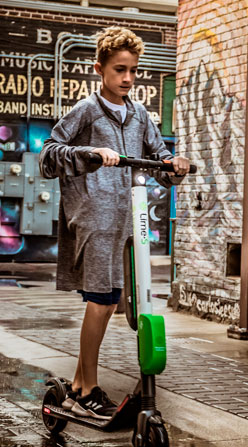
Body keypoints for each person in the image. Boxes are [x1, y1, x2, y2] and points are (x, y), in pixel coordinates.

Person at [39, 27, 190, 420]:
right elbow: (49, 155)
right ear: (99, 69)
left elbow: (158, 156)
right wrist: (92, 152)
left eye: (133, 71)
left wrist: (175, 165)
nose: (127, 78)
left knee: (115, 304)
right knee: (100, 302)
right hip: (93, 215)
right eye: (119, 69)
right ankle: (88, 390)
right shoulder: (87, 110)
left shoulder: (139, 114)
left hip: (128, 219)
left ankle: (74, 388)